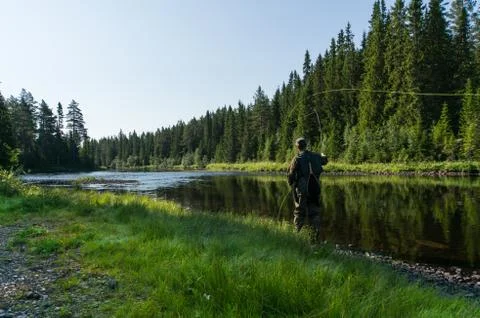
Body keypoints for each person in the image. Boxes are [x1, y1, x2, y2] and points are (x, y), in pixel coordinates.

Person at [287, 137, 321, 241]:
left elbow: (290, 175)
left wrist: (291, 183)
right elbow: (325, 160)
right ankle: (314, 237)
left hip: (302, 191)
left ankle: (297, 235)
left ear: (297, 147)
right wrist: (322, 155)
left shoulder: (296, 159)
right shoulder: (316, 156)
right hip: (314, 189)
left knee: (299, 212)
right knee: (314, 212)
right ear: (306, 145)